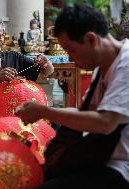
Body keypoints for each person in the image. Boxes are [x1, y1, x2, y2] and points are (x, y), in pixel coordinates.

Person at [15, 3, 129, 189]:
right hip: (101, 159)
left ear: (91, 39)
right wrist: (45, 114)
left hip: (120, 167)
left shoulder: (125, 64)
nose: (69, 58)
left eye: (71, 50)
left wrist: (45, 111)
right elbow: (87, 114)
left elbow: (105, 123)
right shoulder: (103, 66)